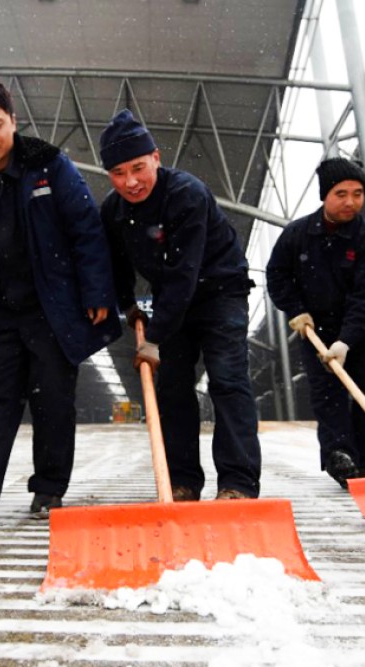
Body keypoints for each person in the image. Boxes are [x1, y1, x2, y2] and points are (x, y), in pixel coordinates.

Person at [0, 78, 121, 524]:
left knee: (52, 399)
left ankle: (49, 489)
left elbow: (85, 230)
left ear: (13, 121)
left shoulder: (48, 166)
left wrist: (95, 291)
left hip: (53, 308)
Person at [99, 109, 261, 501]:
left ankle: (238, 483)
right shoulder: (113, 211)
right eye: (119, 173)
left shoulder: (185, 194)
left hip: (221, 291)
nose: (131, 181)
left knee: (226, 380)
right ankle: (183, 481)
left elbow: (184, 274)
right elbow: (116, 264)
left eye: (138, 167)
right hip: (173, 298)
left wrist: (152, 338)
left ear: (156, 157)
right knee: (172, 388)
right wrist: (128, 307)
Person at [266, 158, 365, 488]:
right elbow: (277, 276)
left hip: (364, 332)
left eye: (358, 193)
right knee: (327, 395)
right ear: (325, 195)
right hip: (315, 329)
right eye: (341, 193)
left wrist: (347, 340)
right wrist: (295, 310)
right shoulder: (298, 235)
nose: (351, 202)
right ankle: (340, 457)